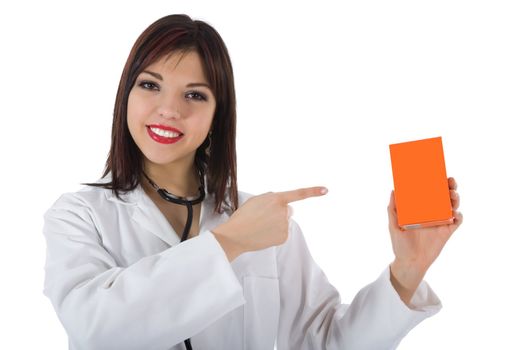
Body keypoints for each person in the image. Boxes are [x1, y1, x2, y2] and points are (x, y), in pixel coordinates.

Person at [42, 14, 463, 350]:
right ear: (125, 96)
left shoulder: (266, 219)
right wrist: (229, 242)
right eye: (150, 85)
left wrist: (406, 273)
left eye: (195, 95)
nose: (168, 109)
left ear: (217, 115)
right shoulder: (79, 215)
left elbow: (325, 344)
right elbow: (98, 330)